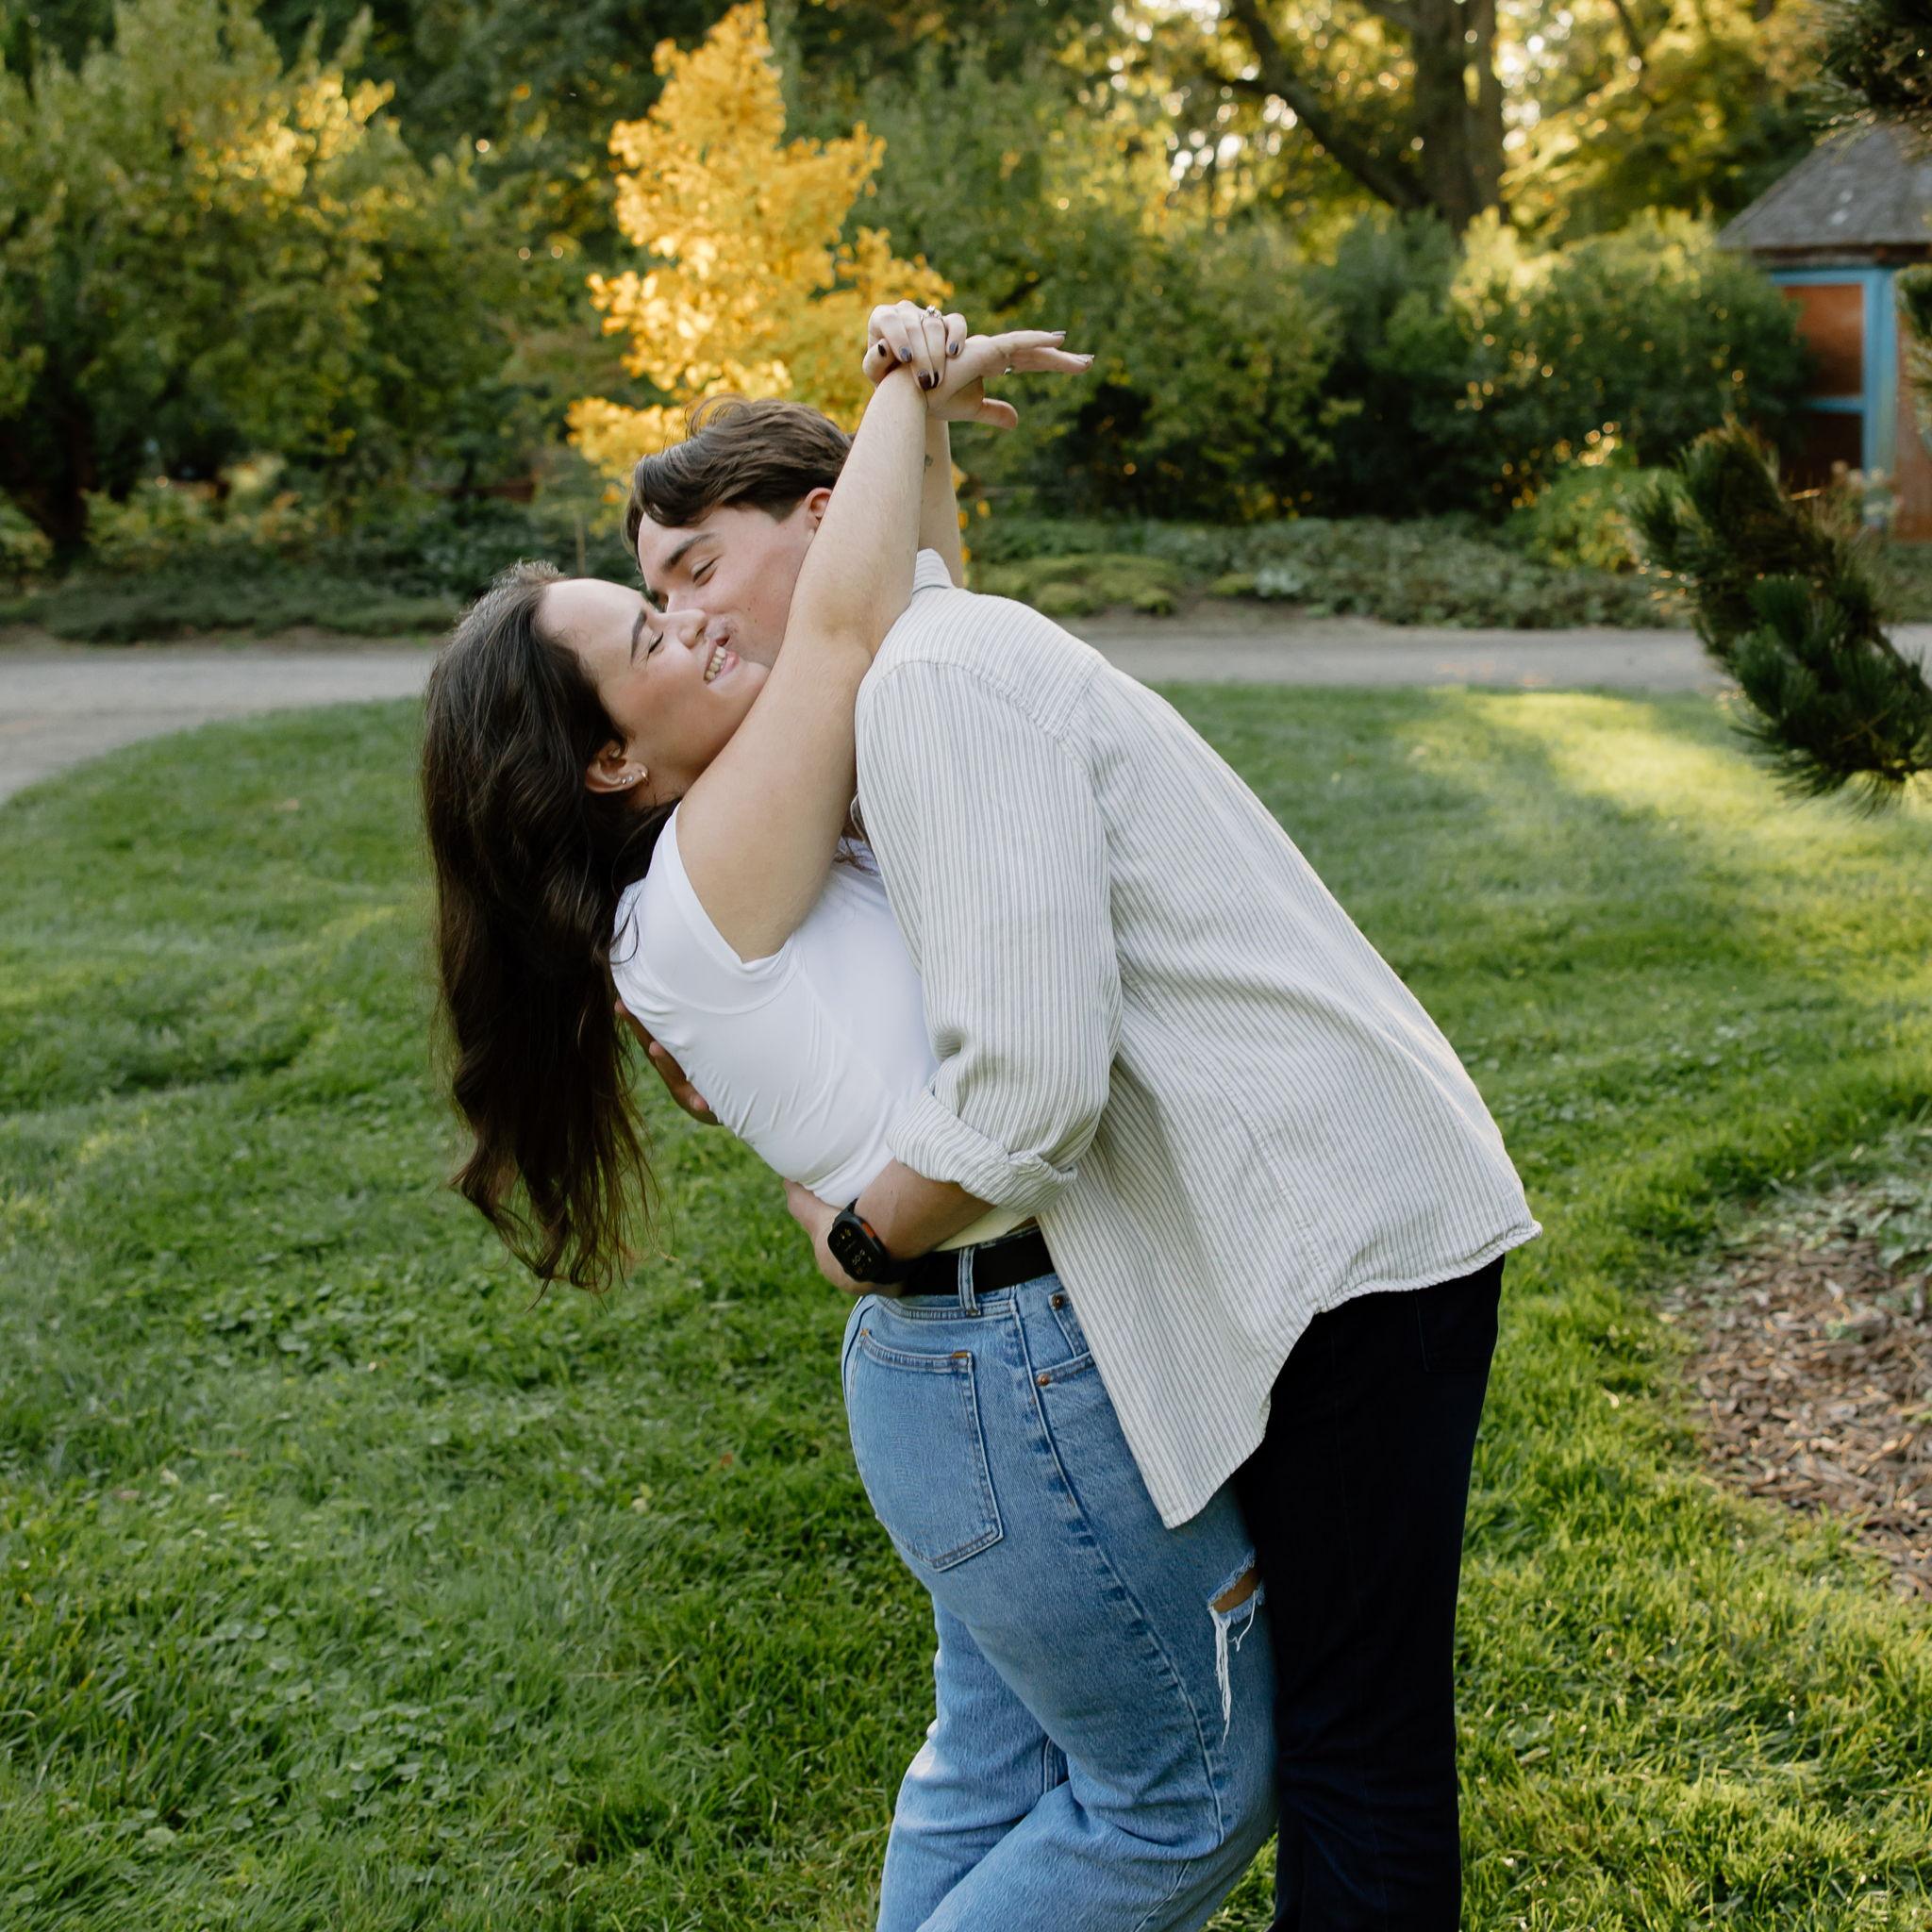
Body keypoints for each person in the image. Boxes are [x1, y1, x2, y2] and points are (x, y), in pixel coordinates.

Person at [627, 319, 1543, 1932]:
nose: (688, 615)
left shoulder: (934, 686)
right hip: (1291, 1222)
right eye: (655, 595)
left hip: (1339, 1234)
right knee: (1329, 1734)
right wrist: (920, 421)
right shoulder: (920, 671)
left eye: (700, 566)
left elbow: (1030, 1090)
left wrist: (858, 1233)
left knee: (1356, 1745)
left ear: (826, 517)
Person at [422, 302, 1276, 1932]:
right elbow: (840, 630)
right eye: (654, 637)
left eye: (683, 599)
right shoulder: (699, 884)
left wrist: (924, 434)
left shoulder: (717, 877)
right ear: (607, 767)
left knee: (997, 1775)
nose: (698, 628)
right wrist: (897, 386)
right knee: (1187, 1795)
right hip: (1013, 1368)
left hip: (966, 1365)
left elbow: (911, 619)